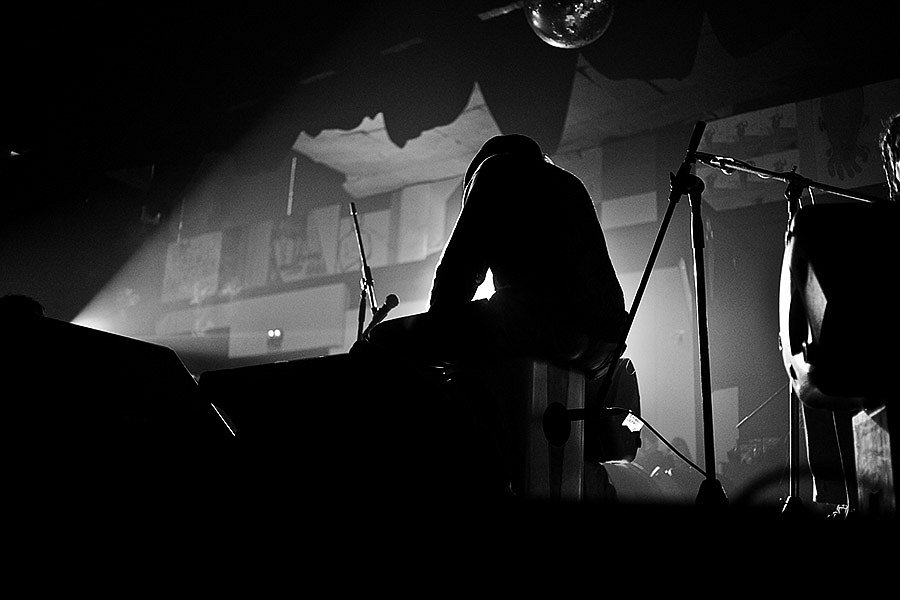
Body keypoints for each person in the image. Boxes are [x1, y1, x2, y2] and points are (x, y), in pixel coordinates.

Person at [351, 133, 628, 503]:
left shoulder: (494, 170)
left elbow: (458, 272)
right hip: (603, 342)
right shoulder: (567, 181)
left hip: (541, 321)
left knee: (382, 342)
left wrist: (439, 333)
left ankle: (404, 466)